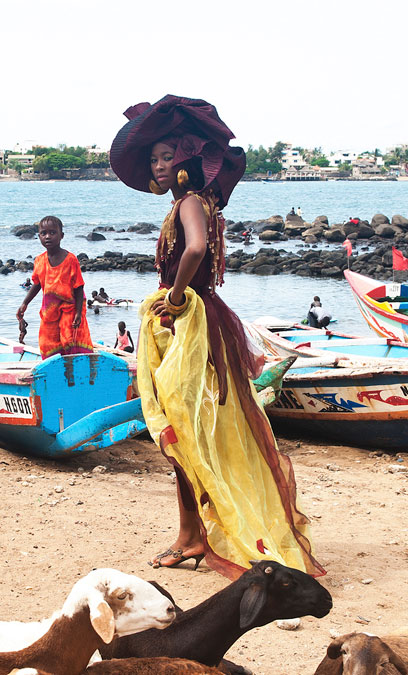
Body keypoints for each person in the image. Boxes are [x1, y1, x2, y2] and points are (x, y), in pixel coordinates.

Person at [110, 95, 322, 580]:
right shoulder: (200, 202)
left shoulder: (188, 203)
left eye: (167, 157)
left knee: (183, 433)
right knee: (186, 435)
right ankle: (192, 535)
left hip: (191, 327)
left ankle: (191, 538)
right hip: (197, 324)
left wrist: (177, 295)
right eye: (155, 159)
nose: (158, 165)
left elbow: (198, 249)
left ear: (186, 161)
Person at [16, 216, 95, 358]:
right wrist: (24, 303)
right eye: (43, 233)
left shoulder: (70, 259)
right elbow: (37, 284)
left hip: (70, 307)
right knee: (47, 342)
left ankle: (76, 371)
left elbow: (78, 287)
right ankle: (54, 371)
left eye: (52, 233)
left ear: (61, 236)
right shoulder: (39, 260)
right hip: (50, 310)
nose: (48, 237)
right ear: (38, 236)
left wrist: (78, 313)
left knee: (70, 339)